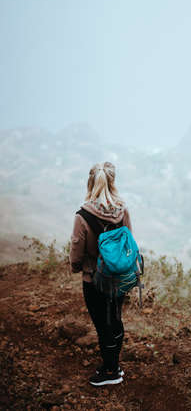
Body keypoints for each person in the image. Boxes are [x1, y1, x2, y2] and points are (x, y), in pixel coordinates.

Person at [69, 161, 132, 386]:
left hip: (94, 278)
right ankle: (114, 364)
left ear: (90, 183)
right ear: (112, 182)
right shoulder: (123, 210)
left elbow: (77, 247)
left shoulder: (83, 216)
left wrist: (76, 267)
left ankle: (110, 372)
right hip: (120, 277)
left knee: (102, 324)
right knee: (115, 319)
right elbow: (129, 242)